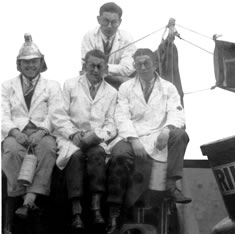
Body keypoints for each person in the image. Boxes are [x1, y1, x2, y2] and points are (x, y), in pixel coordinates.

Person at [105, 48, 190, 234]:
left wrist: (167, 130)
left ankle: (171, 185)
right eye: (138, 64)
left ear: (155, 64)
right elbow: (121, 116)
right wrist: (133, 140)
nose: (142, 68)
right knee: (118, 154)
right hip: (131, 135)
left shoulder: (168, 87)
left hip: (158, 135)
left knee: (180, 136)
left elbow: (177, 113)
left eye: (146, 63)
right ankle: (115, 207)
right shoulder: (126, 88)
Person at [51, 49, 118, 229]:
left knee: (97, 155)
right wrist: (72, 134)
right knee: (76, 157)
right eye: (92, 66)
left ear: (105, 68)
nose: (96, 70)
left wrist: (98, 136)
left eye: (100, 66)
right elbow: (58, 115)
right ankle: (76, 210)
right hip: (71, 137)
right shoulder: (70, 85)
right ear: (84, 66)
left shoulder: (111, 93)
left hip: (95, 139)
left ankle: (95, 208)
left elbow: (112, 124)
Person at [1, 34, 63, 223]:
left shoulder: (52, 86)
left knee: (48, 149)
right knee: (10, 150)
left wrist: (42, 131)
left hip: (42, 133)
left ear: (41, 62)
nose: (30, 66)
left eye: (34, 61)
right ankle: (22, 195)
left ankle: (29, 200)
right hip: (15, 132)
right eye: (25, 62)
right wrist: (14, 132)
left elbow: (55, 113)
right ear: (18, 64)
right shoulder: (6, 86)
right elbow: (2, 114)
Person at [81, 2, 136, 88]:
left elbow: (127, 69)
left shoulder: (127, 38)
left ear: (120, 22)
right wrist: (113, 69)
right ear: (98, 19)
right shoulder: (89, 36)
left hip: (119, 84)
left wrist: (101, 67)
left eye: (114, 22)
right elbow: (87, 65)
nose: (109, 26)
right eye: (105, 21)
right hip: (93, 82)